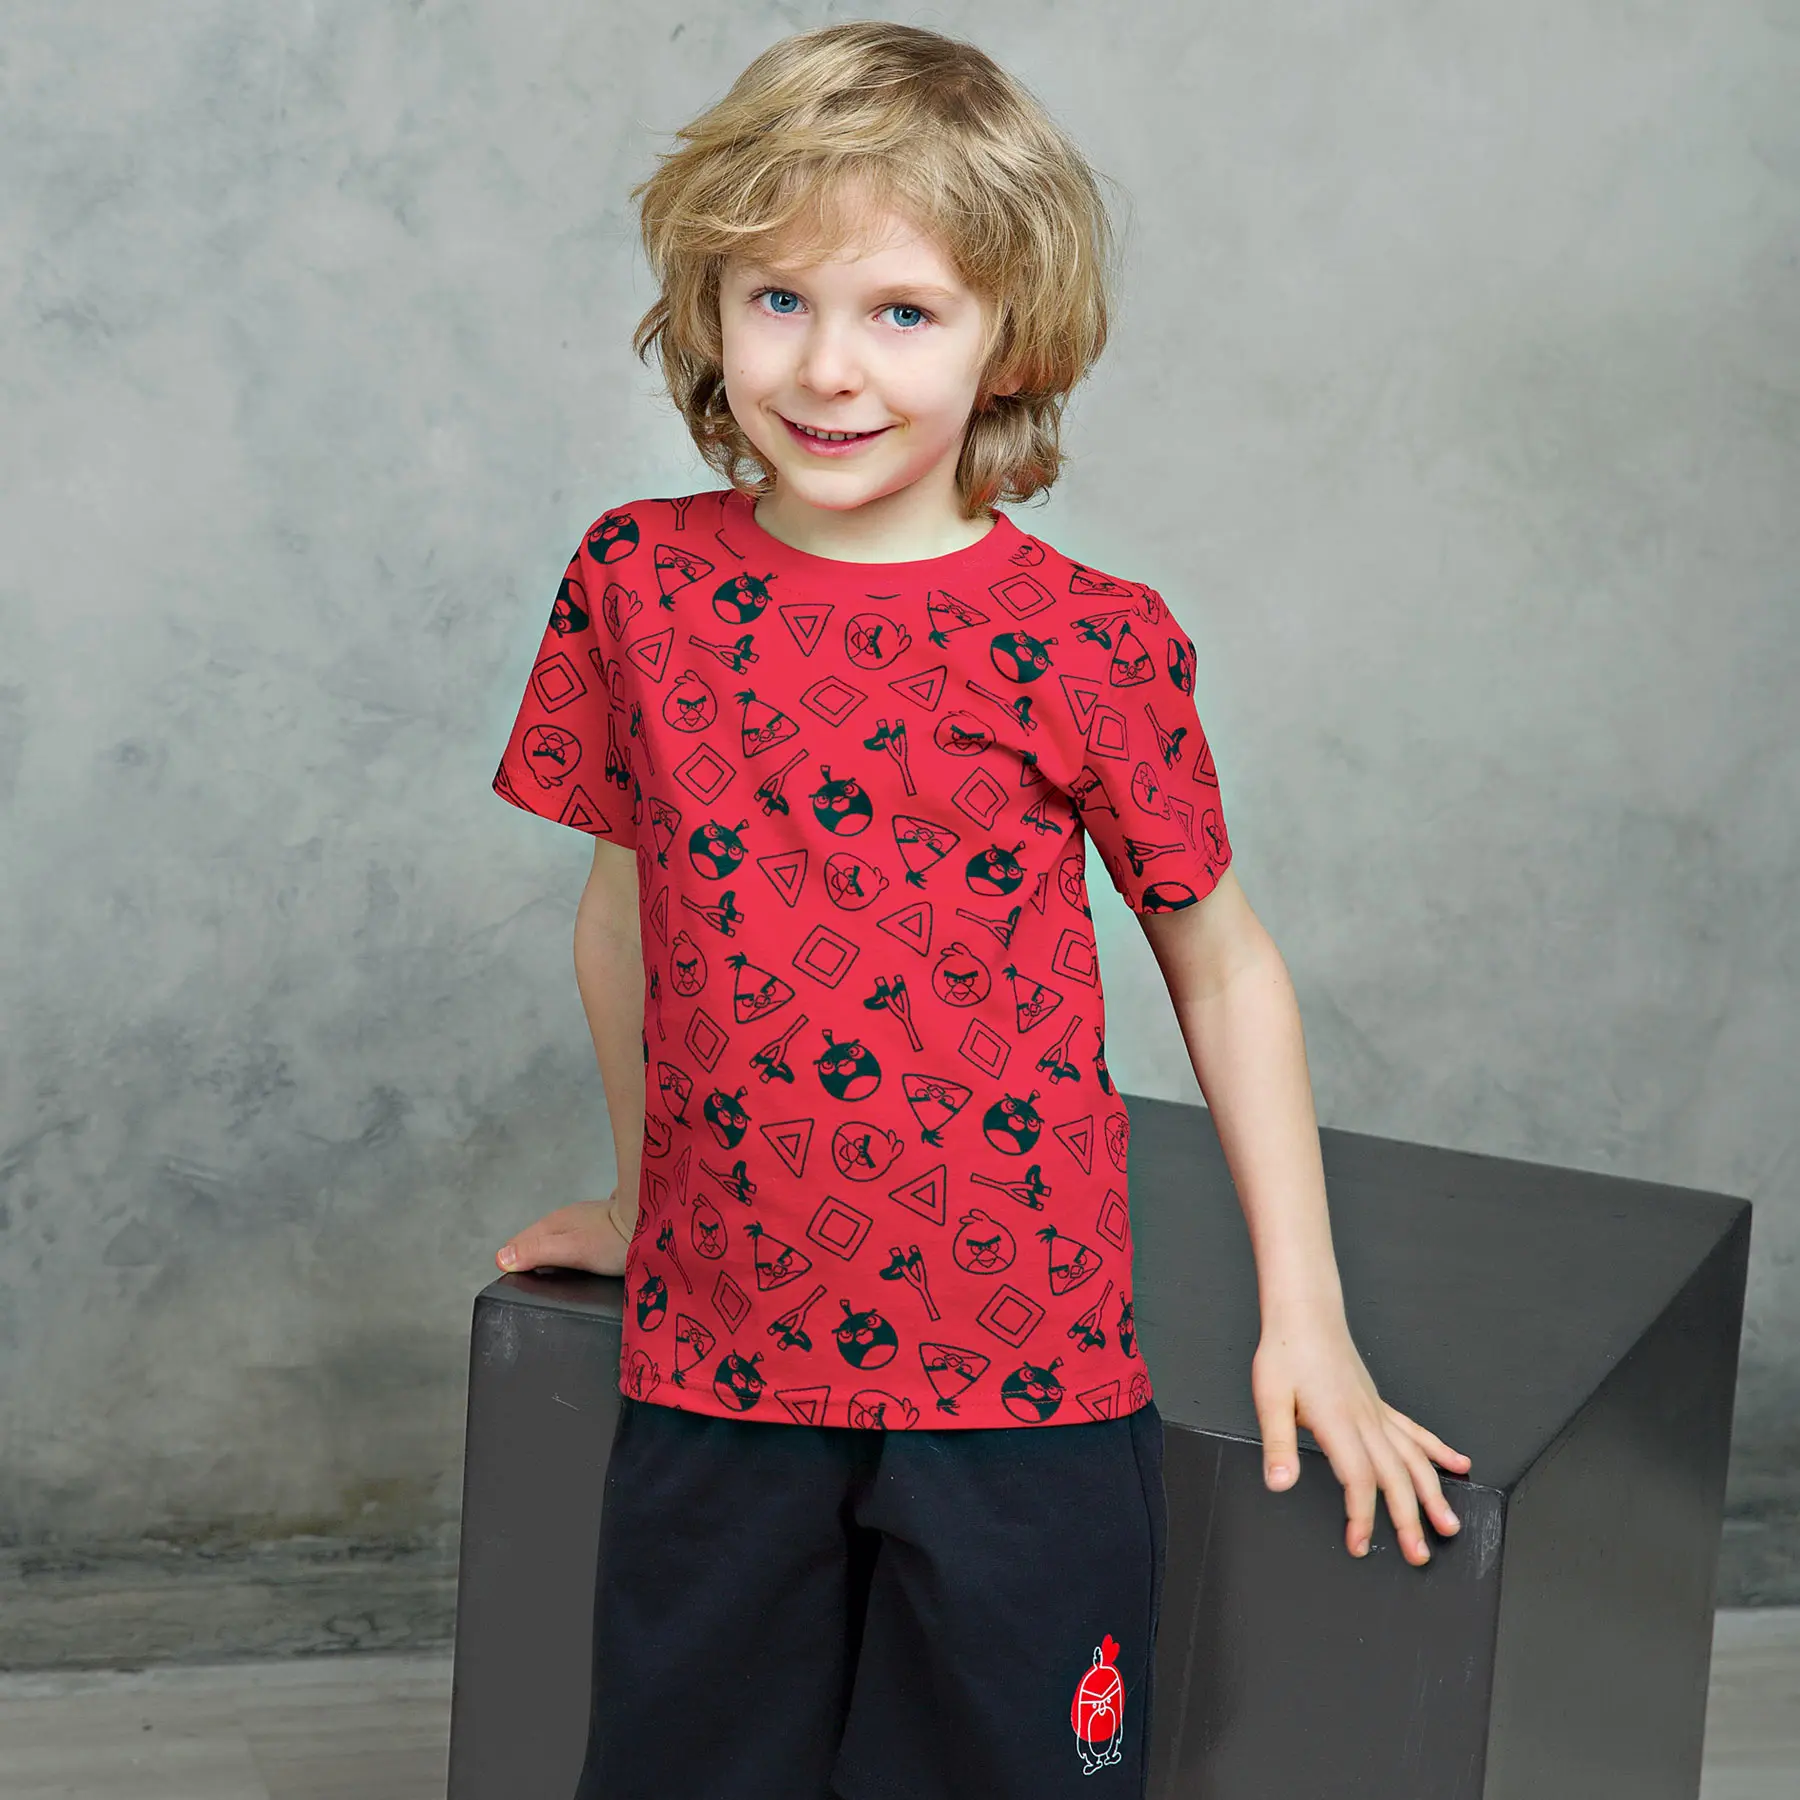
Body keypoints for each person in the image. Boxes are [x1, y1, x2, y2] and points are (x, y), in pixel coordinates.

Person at [490, 21, 1468, 1800]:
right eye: (778, 299)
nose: (829, 368)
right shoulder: (636, 584)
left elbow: (1224, 970)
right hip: (719, 1372)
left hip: (1022, 1380)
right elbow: (627, 923)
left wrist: (1306, 1317)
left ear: (1011, 335)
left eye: (901, 312)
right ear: (708, 305)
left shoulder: (1091, 640)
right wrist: (649, 1202)